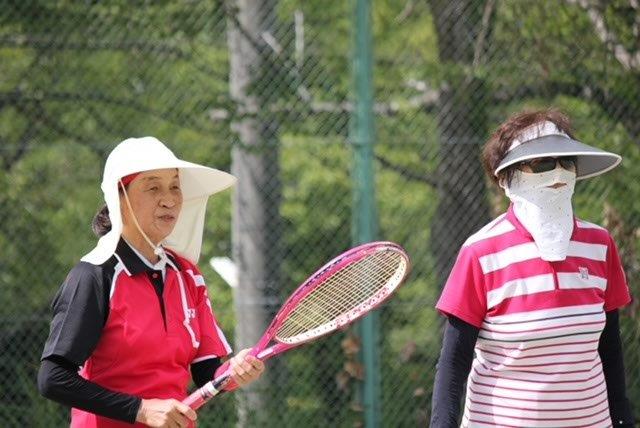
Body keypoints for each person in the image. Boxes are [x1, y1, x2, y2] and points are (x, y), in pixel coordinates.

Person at [38, 137, 265, 428]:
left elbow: (207, 373)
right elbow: (53, 378)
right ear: (119, 197)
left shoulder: (187, 275)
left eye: (175, 186)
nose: (169, 199)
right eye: (153, 187)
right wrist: (140, 410)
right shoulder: (94, 275)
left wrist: (234, 372)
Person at [430, 109, 635, 427]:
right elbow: (454, 360)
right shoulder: (481, 252)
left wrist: (622, 419)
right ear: (506, 178)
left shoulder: (600, 244)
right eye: (542, 163)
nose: (559, 173)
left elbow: (609, 345)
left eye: (566, 162)